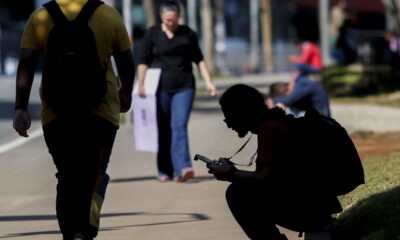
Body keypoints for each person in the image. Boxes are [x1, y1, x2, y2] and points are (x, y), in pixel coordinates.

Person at [13, 0, 135, 239]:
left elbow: (26, 63)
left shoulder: (39, 18)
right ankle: (84, 231)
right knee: (95, 172)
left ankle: (71, 234)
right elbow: (126, 63)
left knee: (67, 175)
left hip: (56, 113)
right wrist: (125, 94)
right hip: (101, 112)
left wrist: (21, 108)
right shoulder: (109, 16)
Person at [207, 84, 342, 240]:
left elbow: (262, 178)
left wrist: (231, 173)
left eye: (228, 118)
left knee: (237, 193)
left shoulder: (269, 129)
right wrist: (233, 172)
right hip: (315, 206)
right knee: (241, 189)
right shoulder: (274, 122)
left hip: (311, 210)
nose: (229, 125)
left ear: (242, 113)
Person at [137, 0, 217, 182]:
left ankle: (183, 167)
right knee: (164, 129)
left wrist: (209, 82)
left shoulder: (188, 34)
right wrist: (141, 84)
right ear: (161, 18)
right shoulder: (153, 34)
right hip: (159, 88)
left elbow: (200, 60)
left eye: (173, 20)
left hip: (184, 86)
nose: (171, 23)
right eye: (167, 20)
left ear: (179, 17)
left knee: (178, 126)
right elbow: (143, 60)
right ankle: (165, 169)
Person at [266, 76, 331, 118]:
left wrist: (274, 100)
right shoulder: (302, 84)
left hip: (323, 121)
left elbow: (290, 100)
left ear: (287, 88)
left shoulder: (302, 83)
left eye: (287, 93)